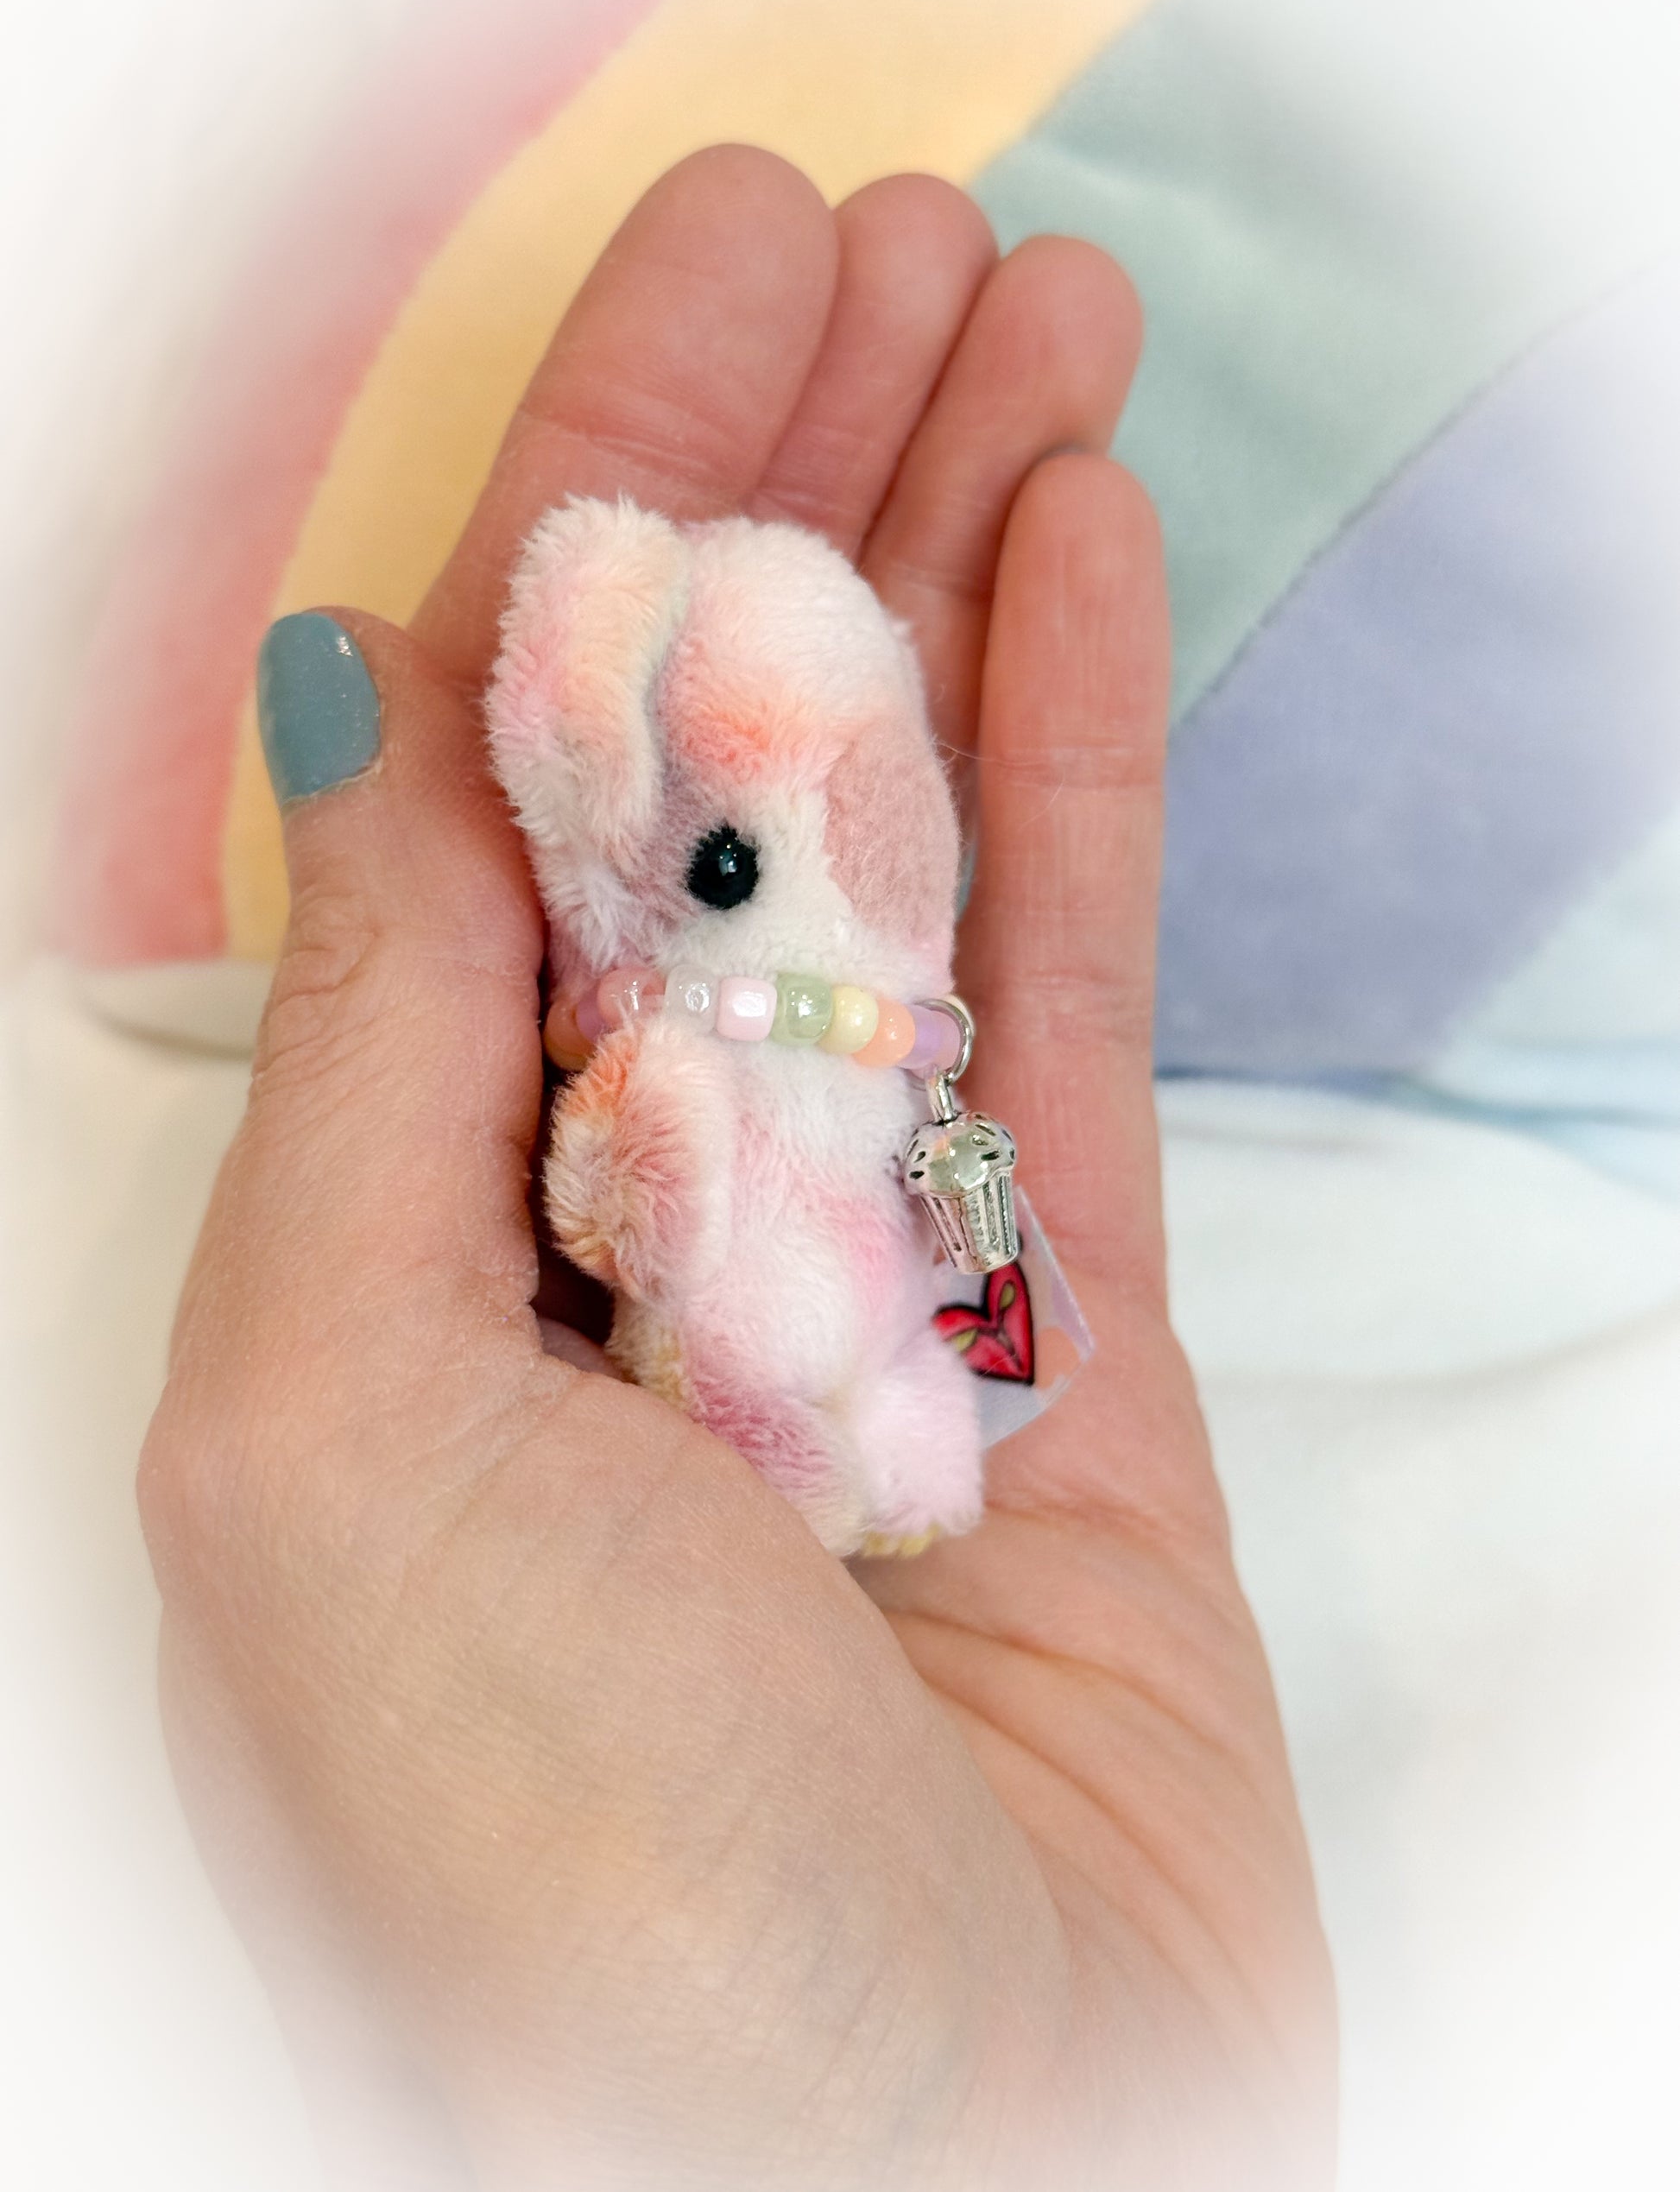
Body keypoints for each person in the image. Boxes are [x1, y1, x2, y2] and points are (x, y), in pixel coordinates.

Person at [138, 144, 1336, 2191]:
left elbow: (933, 1135)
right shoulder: (672, 1002)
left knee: (909, 1340)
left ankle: (894, 1439)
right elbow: (644, 1183)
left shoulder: (914, 1029)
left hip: (886, 1179)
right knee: (762, 1298)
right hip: (755, 1231)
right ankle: (820, 1435)